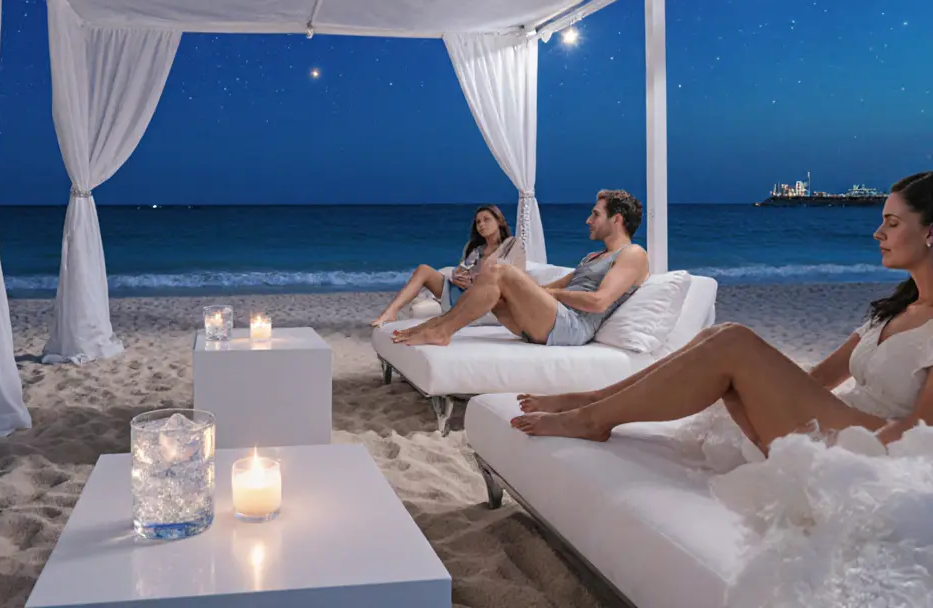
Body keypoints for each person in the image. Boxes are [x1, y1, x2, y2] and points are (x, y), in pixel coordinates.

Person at [511, 171, 933, 454]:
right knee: (725, 337)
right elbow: (820, 380)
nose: (878, 232)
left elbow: (921, 434)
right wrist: (763, 387)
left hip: (871, 442)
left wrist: (855, 463)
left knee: (732, 341)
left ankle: (592, 417)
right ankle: (593, 400)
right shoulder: (892, 311)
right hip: (832, 418)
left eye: (893, 223)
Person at [392, 189, 649, 347]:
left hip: (571, 328)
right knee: (494, 286)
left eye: (595, 214)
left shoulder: (633, 254)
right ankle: (438, 325)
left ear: (616, 220)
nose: (588, 220)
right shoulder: (594, 256)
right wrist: (528, 292)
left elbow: (598, 302)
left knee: (500, 270)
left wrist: (546, 294)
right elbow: (551, 288)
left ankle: (440, 332)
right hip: (549, 320)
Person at [371, 204, 525, 327]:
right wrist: (456, 277)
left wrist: (479, 280)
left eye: (486, 219)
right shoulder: (473, 248)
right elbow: (460, 270)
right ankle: (391, 312)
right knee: (423, 269)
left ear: (499, 221)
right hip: (460, 294)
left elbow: (518, 280)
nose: (481, 224)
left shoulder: (512, 245)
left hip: (485, 301)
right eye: (478, 222)